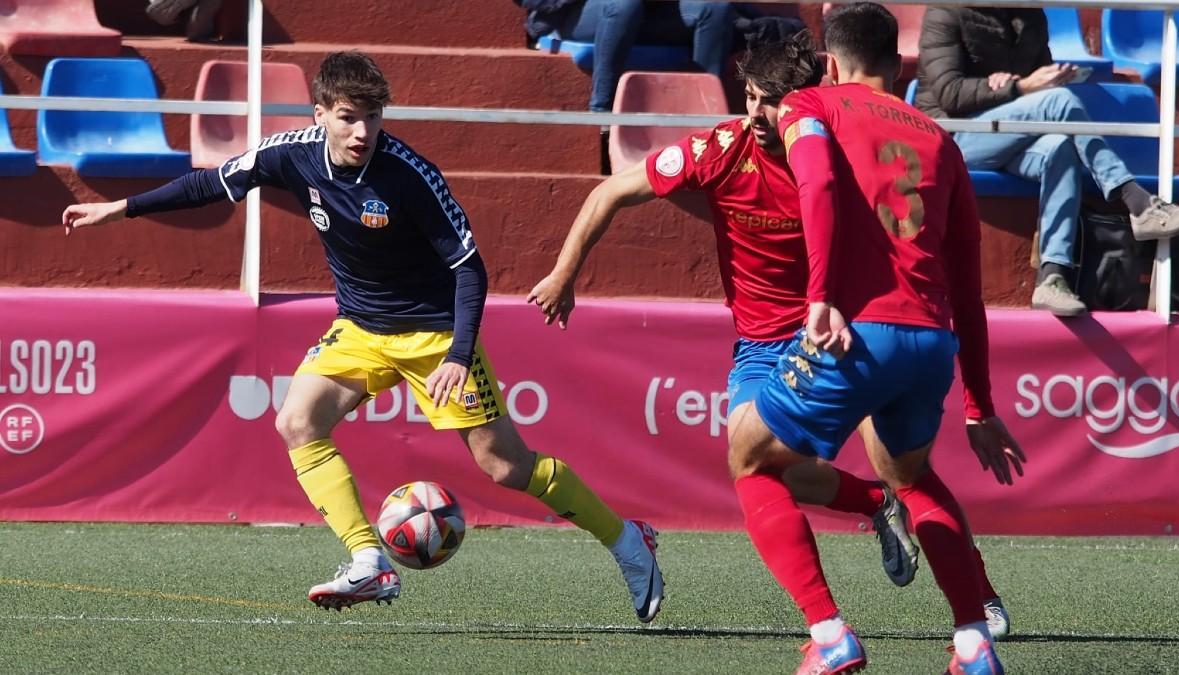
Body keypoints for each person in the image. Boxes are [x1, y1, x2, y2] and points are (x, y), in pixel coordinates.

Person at [61, 50, 664, 622]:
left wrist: (458, 354)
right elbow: (209, 183)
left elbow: (470, 270)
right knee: (297, 421)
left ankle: (627, 540)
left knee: (505, 468)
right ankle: (368, 561)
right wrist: (121, 209)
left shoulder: (409, 175)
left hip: (432, 338)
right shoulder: (288, 154)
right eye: (348, 118)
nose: (361, 132)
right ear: (319, 115)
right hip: (358, 328)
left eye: (372, 118)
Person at [527, 30, 1011, 643]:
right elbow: (614, 190)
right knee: (761, 462)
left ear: (811, 97)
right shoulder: (721, 148)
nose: (758, 115)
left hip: (841, 331)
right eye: (750, 98)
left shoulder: (842, 153)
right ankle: (871, 515)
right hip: (764, 344)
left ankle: (978, 599)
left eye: (771, 101)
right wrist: (564, 274)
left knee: (906, 470)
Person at [727, 4, 1026, 673]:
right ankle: (974, 640)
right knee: (910, 475)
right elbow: (970, 289)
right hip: (931, 341)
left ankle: (829, 633)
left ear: (831, 63)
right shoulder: (941, 139)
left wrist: (821, 296)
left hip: (862, 330)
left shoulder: (811, 103)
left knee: (750, 458)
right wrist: (979, 406)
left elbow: (820, 182)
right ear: (902, 65)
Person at [916, 6, 1179, 318]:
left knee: (1060, 147)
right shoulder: (944, 12)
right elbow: (948, 93)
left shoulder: (1032, 15)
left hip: (1008, 133)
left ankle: (1052, 276)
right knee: (1059, 102)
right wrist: (1019, 87)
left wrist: (1035, 82)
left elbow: (1041, 86)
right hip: (952, 136)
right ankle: (1136, 201)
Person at [517, 0, 737, 112]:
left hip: (651, 12)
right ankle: (602, 110)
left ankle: (702, 112)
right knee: (623, 5)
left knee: (715, 10)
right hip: (577, 12)